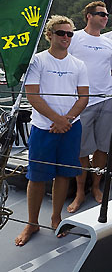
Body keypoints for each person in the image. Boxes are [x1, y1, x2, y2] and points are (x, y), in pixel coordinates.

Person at [15, 15, 89, 246]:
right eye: (61, 33)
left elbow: (84, 96)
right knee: (36, 178)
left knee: (64, 174)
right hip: (42, 128)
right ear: (49, 35)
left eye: (70, 34)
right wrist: (56, 120)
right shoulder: (37, 61)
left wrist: (66, 120)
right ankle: (32, 223)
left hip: (70, 127)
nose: (66, 37)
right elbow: (32, 95)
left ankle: (56, 217)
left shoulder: (78, 64)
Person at [67, 1, 112, 213]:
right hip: (81, 101)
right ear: (89, 16)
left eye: (106, 15)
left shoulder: (109, 44)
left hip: (106, 99)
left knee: (102, 149)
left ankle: (96, 187)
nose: (105, 18)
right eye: (101, 14)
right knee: (81, 150)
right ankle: (80, 192)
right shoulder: (74, 38)